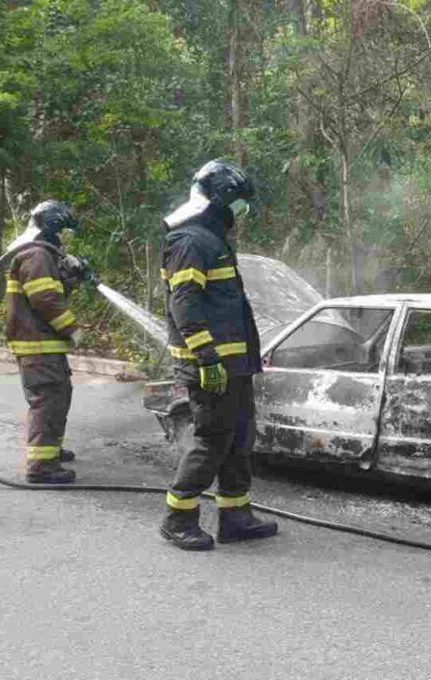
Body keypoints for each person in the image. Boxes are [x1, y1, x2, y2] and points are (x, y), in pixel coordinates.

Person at [158, 159, 278, 551]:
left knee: (240, 439)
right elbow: (185, 306)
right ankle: (178, 518)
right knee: (211, 441)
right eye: (240, 203)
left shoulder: (212, 239)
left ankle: (235, 516)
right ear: (223, 198)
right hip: (211, 367)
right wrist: (207, 359)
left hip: (234, 367)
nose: (242, 211)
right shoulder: (190, 241)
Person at [5, 200, 92, 484]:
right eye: (65, 231)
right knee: (48, 400)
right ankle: (42, 467)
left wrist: (70, 275)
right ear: (53, 226)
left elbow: (52, 288)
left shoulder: (41, 254)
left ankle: (50, 450)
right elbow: (45, 298)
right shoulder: (36, 253)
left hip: (43, 344)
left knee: (58, 397)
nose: (66, 238)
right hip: (38, 344)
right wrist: (71, 328)